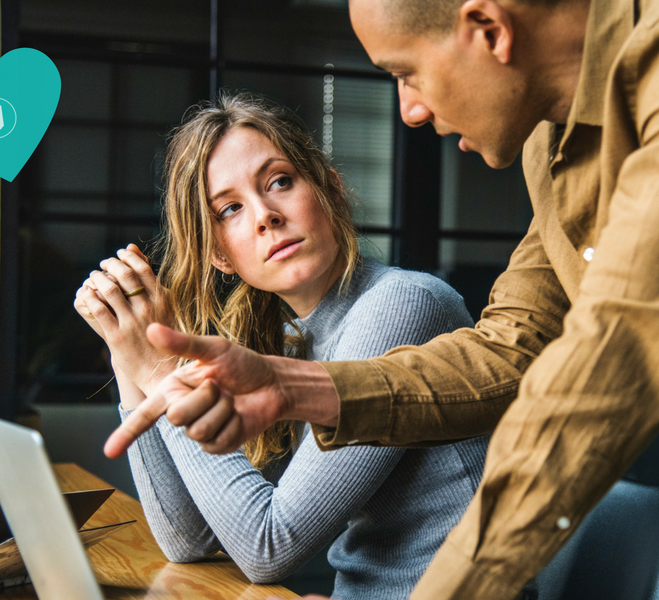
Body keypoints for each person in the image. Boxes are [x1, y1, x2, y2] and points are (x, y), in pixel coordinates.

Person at [105, 0, 659, 599]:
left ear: (488, 30)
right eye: (231, 209)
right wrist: (294, 387)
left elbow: (603, 374)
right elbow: (512, 347)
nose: (411, 111)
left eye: (404, 72)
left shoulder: (400, 300)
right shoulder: (550, 147)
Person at [75, 94, 489, 600]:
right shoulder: (291, 343)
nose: (264, 215)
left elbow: (268, 547)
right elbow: (190, 540)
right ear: (220, 257)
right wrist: (127, 350)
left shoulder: (404, 304)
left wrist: (161, 369)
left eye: (279, 182)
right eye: (230, 209)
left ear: (331, 190)